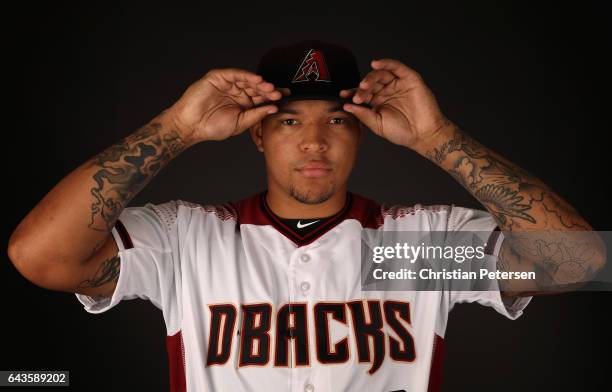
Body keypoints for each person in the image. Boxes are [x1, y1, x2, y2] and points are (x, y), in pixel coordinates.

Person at [8, 40, 605, 392]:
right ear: (258, 135)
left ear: (363, 133)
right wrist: (178, 128)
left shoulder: (414, 246)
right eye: (290, 120)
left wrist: (437, 138)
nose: (315, 140)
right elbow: (41, 257)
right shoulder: (187, 239)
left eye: (337, 119)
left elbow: (581, 263)